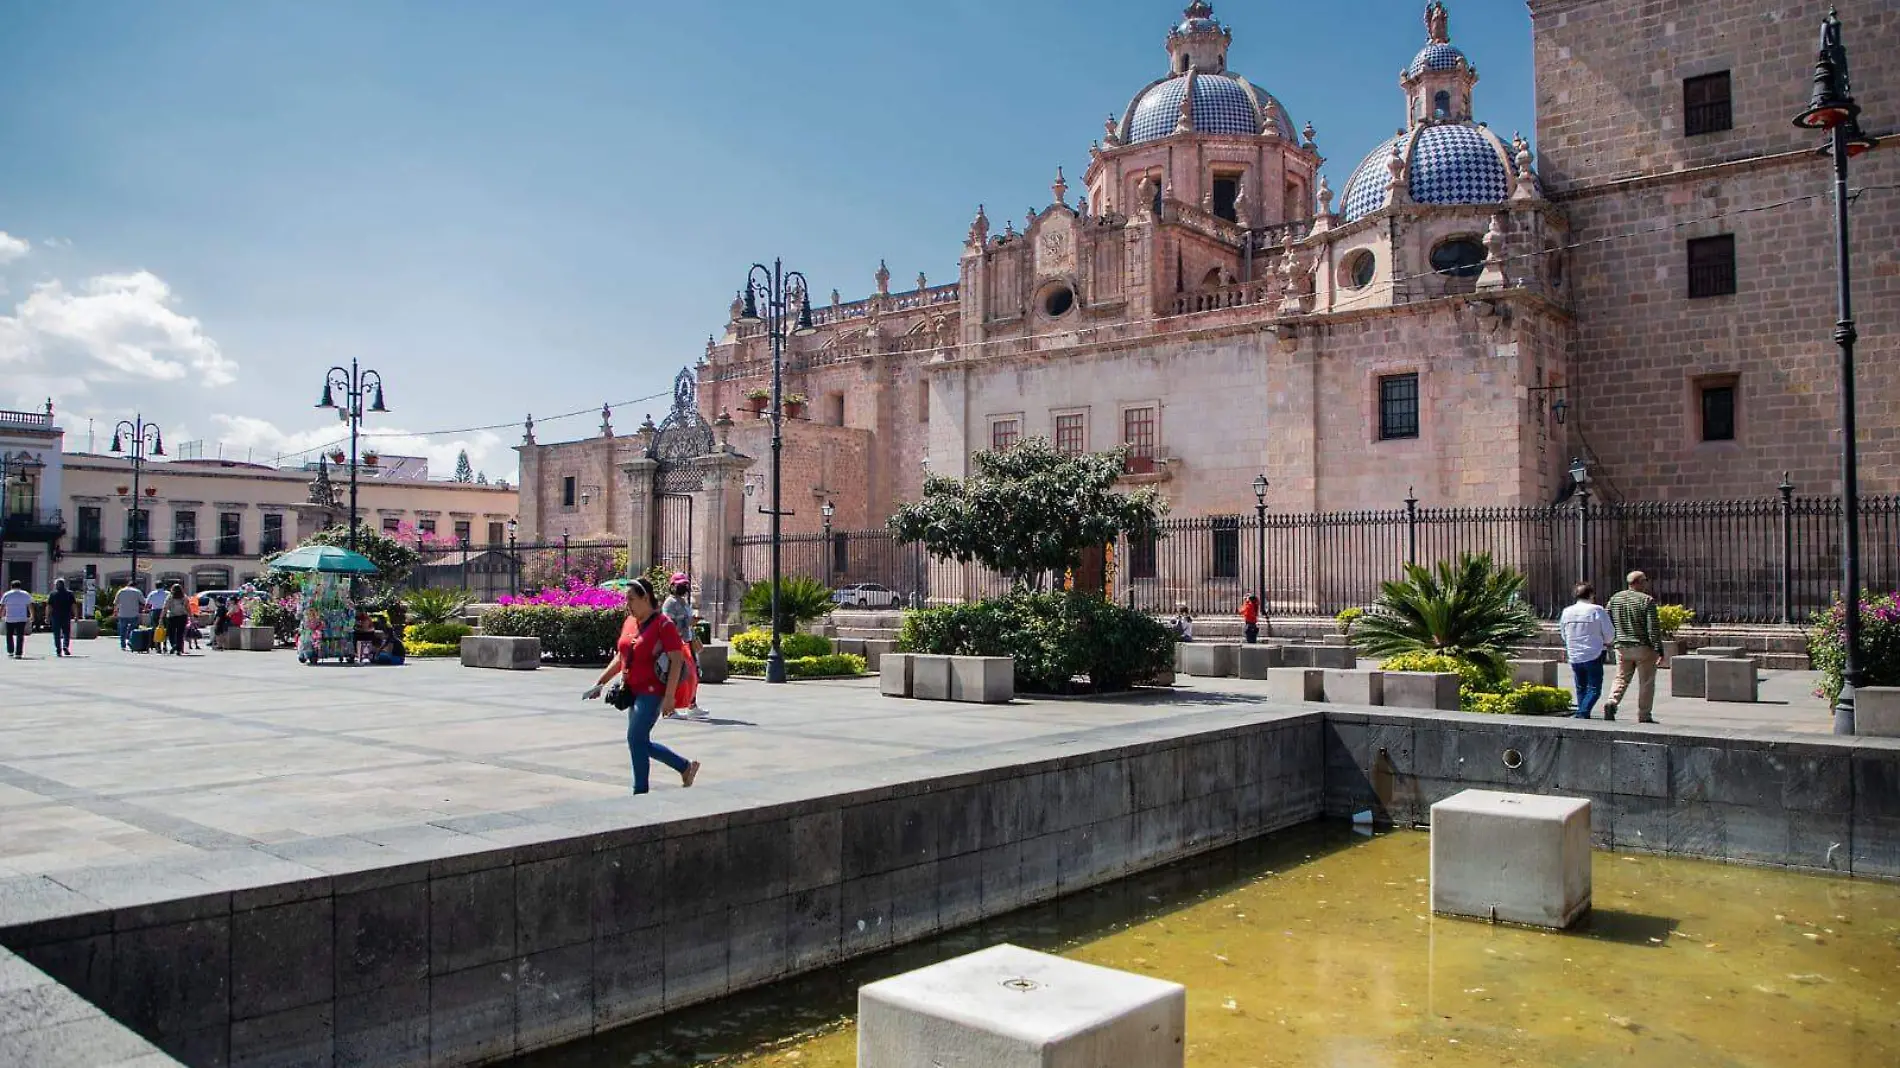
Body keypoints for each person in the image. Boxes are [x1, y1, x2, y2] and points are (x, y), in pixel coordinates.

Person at [584, 576, 701, 794]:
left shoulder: (663, 624)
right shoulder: (630, 623)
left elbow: (676, 660)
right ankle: (684, 767)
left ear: (645, 598)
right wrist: (600, 682)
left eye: (631, 599)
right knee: (639, 741)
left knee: (635, 738)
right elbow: (622, 656)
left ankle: (640, 791)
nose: (627, 604)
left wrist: (669, 697)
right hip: (631, 690)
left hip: (652, 692)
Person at [1604, 570, 1666, 723]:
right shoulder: (1647, 600)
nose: (1646, 583)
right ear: (1638, 582)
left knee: (1621, 677)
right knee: (1646, 681)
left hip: (1622, 646)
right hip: (1643, 646)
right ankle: (1644, 715)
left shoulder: (1615, 598)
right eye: (1644, 580)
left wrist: (1615, 636)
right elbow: (1653, 627)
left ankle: (1612, 701)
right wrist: (1659, 648)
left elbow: (1606, 618)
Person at [1558, 582, 1615, 719]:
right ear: (1591, 594)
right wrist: (1607, 642)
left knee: (1581, 686)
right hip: (1594, 653)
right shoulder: (1597, 610)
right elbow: (1609, 634)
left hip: (1574, 653)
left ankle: (1583, 711)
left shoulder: (1567, 611)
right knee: (1594, 688)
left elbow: (1563, 633)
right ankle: (1582, 712)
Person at [662, 572, 707, 719]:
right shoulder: (670, 603)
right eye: (680, 585)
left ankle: (691, 704)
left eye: (685, 585)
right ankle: (670, 708)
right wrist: (687, 623)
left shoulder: (683, 602)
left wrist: (692, 630)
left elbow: (687, 623)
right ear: (672, 586)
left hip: (687, 642)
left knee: (694, 673)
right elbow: (668, 624)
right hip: (677, 644)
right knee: (679, 675)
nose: (683, 587)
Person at [1, 580, 32, 659]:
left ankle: (10, 651)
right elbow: (30, 606)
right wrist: (32, 615)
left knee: (9, 635)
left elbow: (3, 606)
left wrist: (1, 616)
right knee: (20, 636)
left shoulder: (7, 594)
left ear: (11, 586)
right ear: (20, 586)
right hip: (21, 618)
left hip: (10, 618)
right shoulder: (25, 594)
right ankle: (18, 653)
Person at [46, 578, 76, 658]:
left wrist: (47, 617)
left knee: (56, 634)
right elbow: (74, 606)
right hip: (66, 616)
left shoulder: (53, 594)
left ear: (56, 585)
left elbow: (49, 607)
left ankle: (58, 650)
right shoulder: (70, 594)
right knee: (66, 632)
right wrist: (76, 615)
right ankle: (65, 645)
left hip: (55, 616)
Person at [114, 582, 144, 649]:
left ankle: (123, 645)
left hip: (122, 613)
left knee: (122, 630)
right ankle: (130, 640)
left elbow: (116, 602)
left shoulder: (121, 591)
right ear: (135, 586)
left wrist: (115, 611)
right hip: (133, 613)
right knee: (133, 629)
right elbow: (143, 601)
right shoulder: (137, 591)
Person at [163, 583, 190, 656]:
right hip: (182, 616)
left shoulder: (170, 597)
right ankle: (178, 649)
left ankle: (174, 645)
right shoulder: (184, 597)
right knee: (180, 634)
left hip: (172, 617)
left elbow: (165, 608)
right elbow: (188, 608)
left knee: (171, 633)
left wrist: (161, 617)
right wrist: (191, 617)